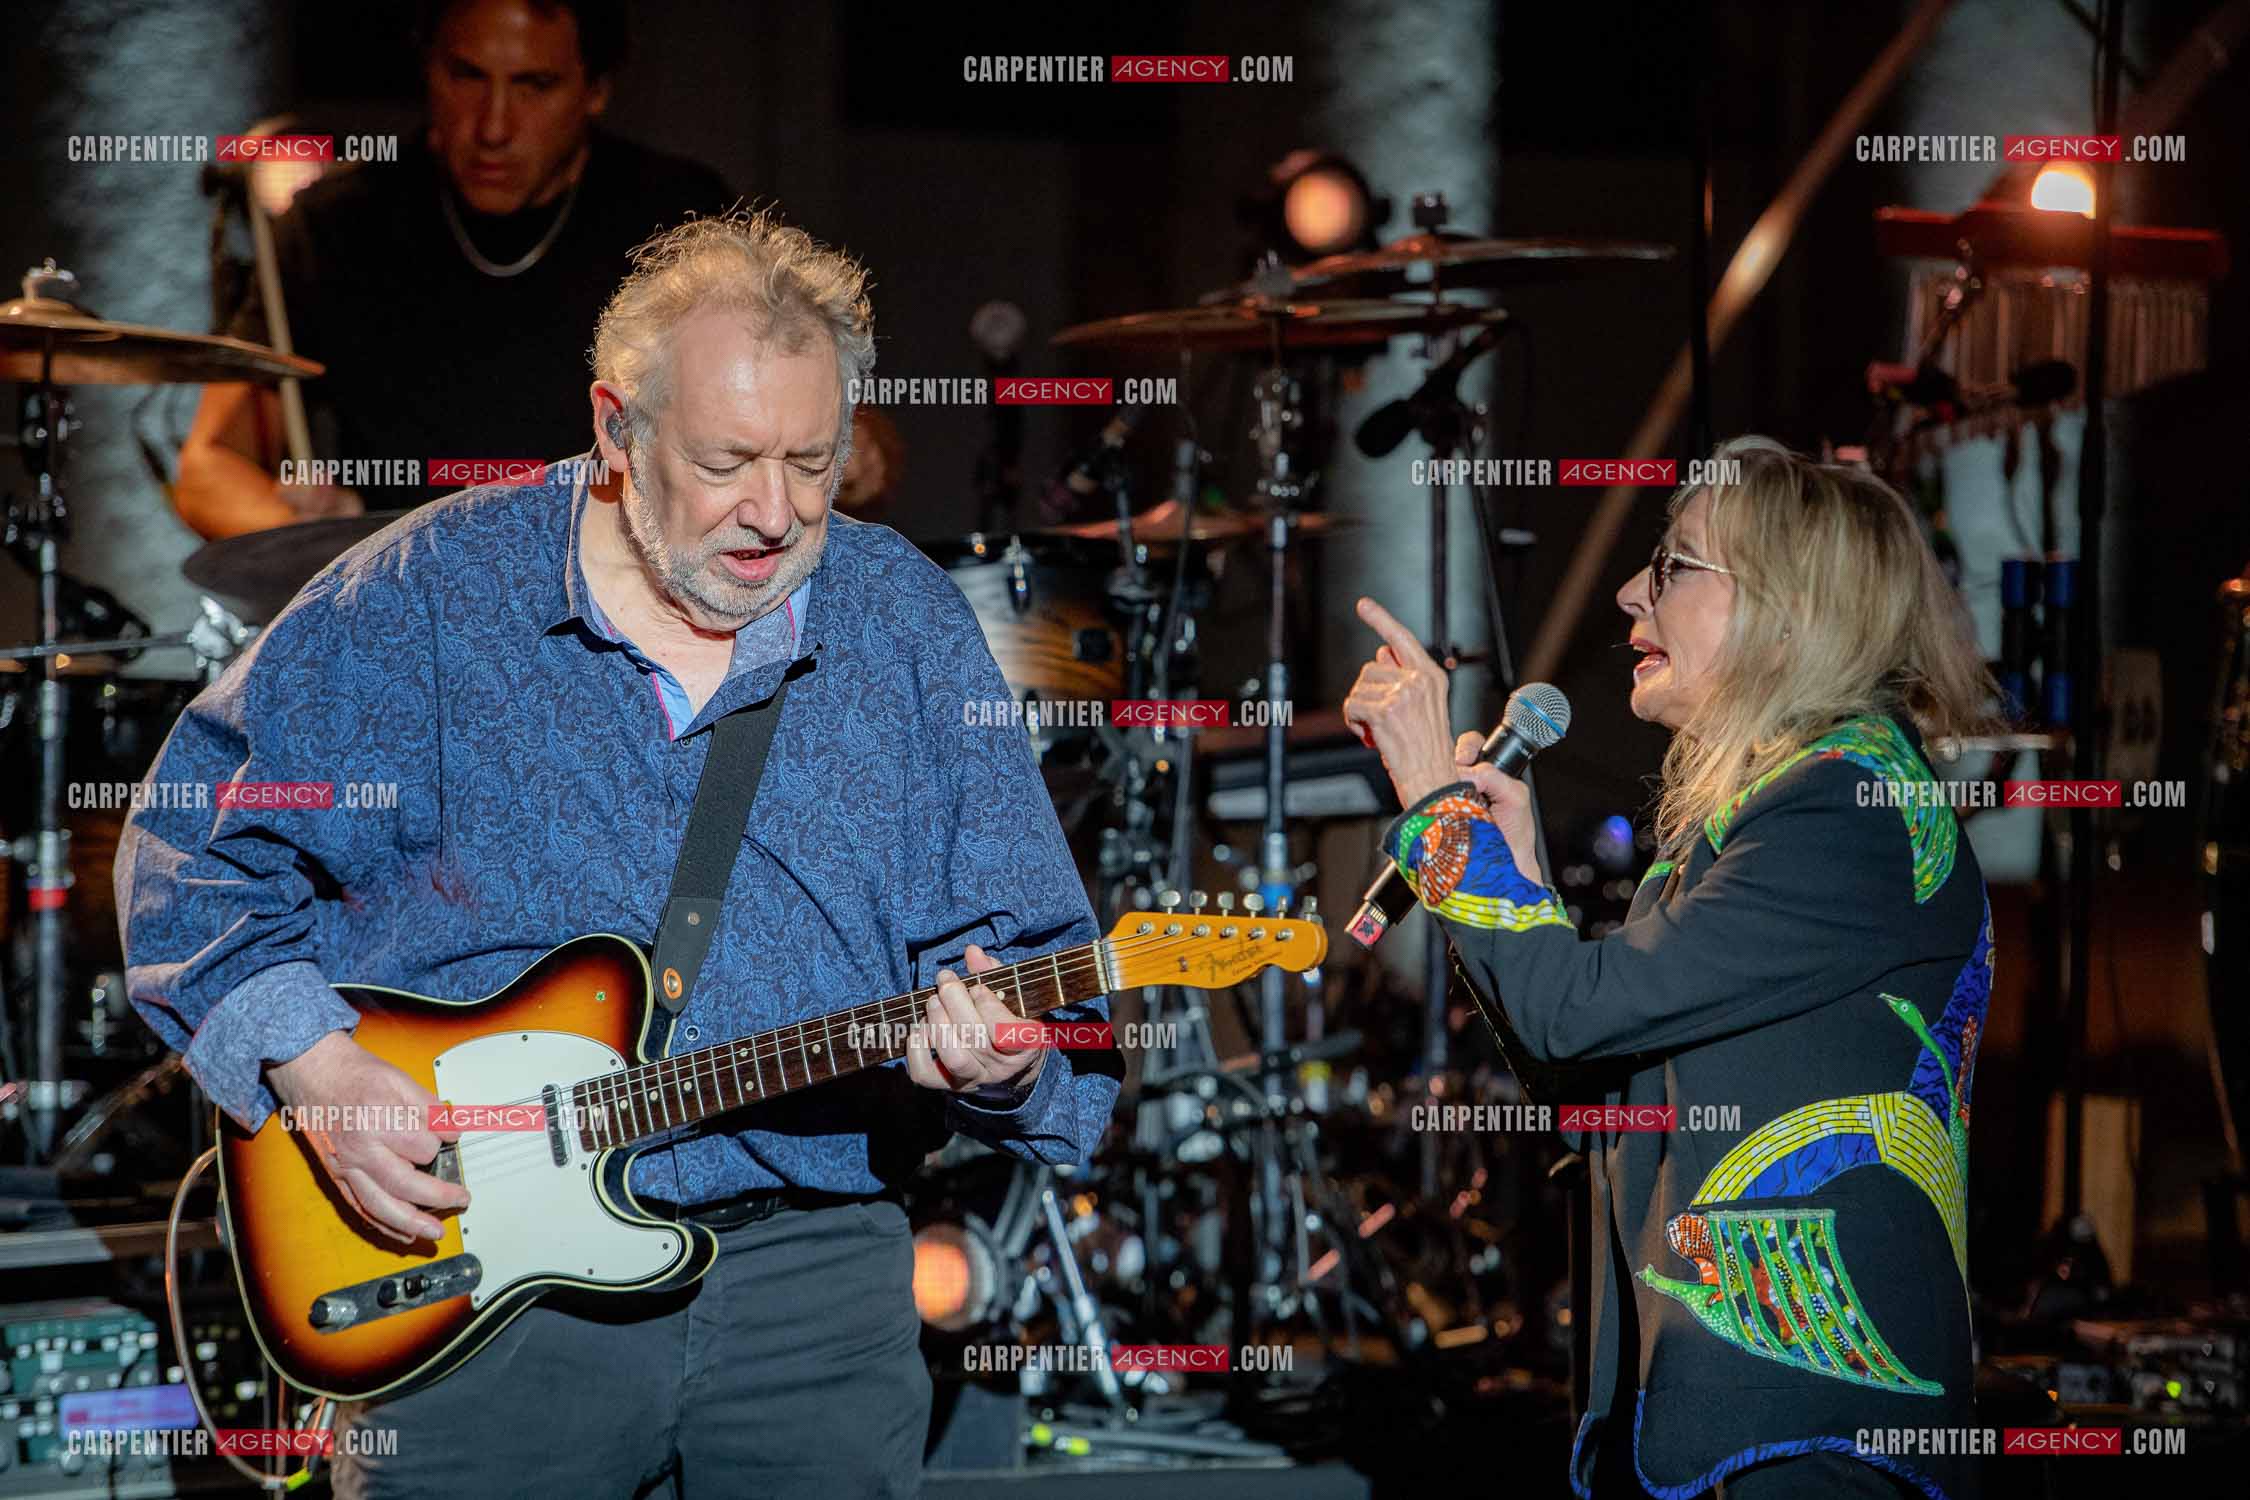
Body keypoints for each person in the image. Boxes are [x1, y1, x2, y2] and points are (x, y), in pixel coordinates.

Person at [119, 208, 1121, 1497]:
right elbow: (190, 850)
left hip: (813, 1289)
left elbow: (1045, 966)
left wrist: (1003, 1069)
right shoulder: (429, 595)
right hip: (474, 1293)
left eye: (812, 461)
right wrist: (315, 1070)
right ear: (614, 429)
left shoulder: (903, 621)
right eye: (727, 460)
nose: (774, 511)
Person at [1343, 438, 1995, 1500]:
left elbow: (1572, 1016)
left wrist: (1433, 803)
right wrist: (1514, 879)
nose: (1627, 593)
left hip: (1807, 1436)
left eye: (1675, 565)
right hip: (1751, 1431)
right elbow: (1596, 1083)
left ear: (1787, 608)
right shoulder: (1782, 814)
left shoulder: (1845, 812)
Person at [176, 0, 732, 534]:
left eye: (533, 85)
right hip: (408, 604)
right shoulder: (336, 227)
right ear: (428, 70)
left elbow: (751, 444)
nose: (493, 127)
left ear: (596, 91)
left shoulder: (680, 222)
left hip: (619, 600)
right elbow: (209, 464)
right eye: (466, 76)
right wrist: (311, 541)